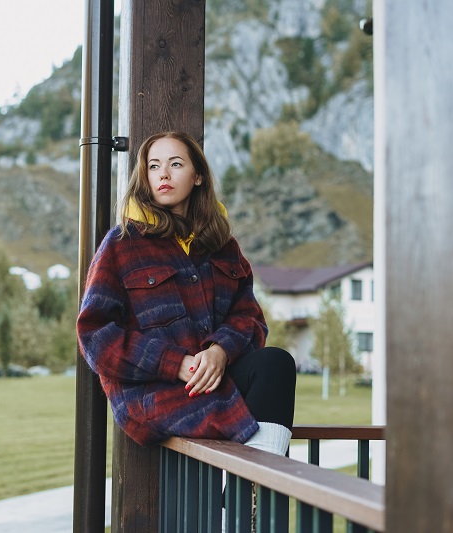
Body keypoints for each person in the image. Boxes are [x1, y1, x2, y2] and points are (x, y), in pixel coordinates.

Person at [76, 131, 296, 455]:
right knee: (251, 423)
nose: (163, 174)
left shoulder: (222, 245)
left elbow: (249, 317)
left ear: (197, 176)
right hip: (157, 393)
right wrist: (175, 363)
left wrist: (220, 351)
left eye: (175, 164)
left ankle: (249, 496)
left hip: (216, 380)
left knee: (276, 364)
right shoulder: (121, 244)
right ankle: (251, 497)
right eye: (153, 166)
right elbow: (96, 336)